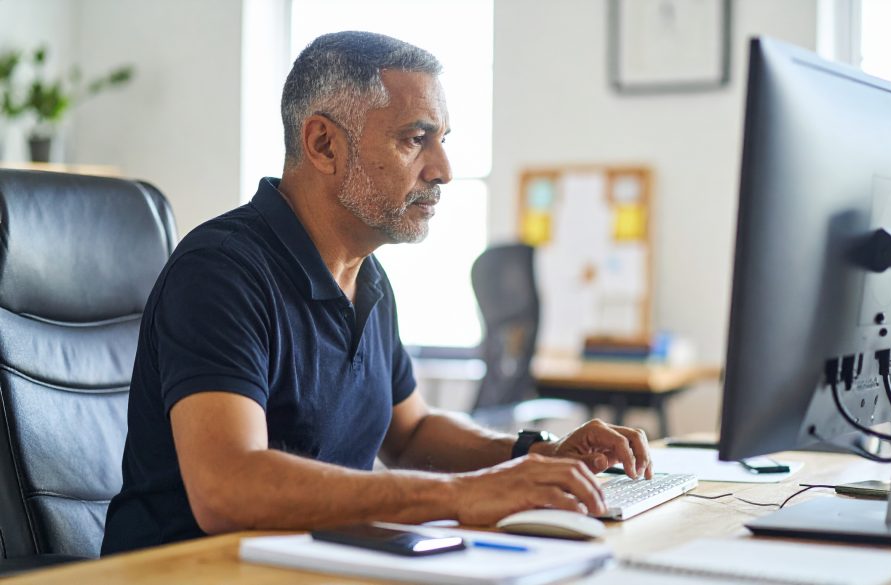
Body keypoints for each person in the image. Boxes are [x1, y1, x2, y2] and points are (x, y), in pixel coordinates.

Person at [101, 31, 653, 555]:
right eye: (416, 139)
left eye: (442, 141)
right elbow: (227, 488)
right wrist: (462, 497)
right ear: (323, 144)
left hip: (319, 565)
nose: (443, 170)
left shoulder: (368, 279)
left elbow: (410, 435)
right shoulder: (222, 270)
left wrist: (537, 455)